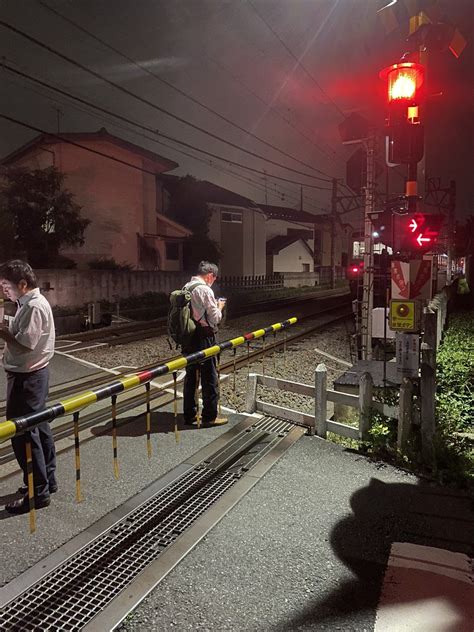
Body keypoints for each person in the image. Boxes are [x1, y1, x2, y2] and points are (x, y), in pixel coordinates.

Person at [0, 260, 57, 514]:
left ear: (23, 284)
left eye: (6, 286)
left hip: (27, 377)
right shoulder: (30, 303)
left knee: (24, 433)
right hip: (34, 375)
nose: (4, 291)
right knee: (39, 427)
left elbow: (25, 344)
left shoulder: (33, 306)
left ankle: (37, 490)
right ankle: (46, 481)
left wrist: (1, 332)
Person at [182, 261, 226, 426]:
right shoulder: (204, 289)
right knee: (209, 376)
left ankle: (190, 413)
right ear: (209, 275)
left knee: (191, 376)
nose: (213, 281)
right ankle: (209, 416)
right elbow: (215, 318)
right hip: (204, 337)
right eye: (213, 278)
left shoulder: (187, 287)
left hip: (189, 337)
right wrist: (219, 306)